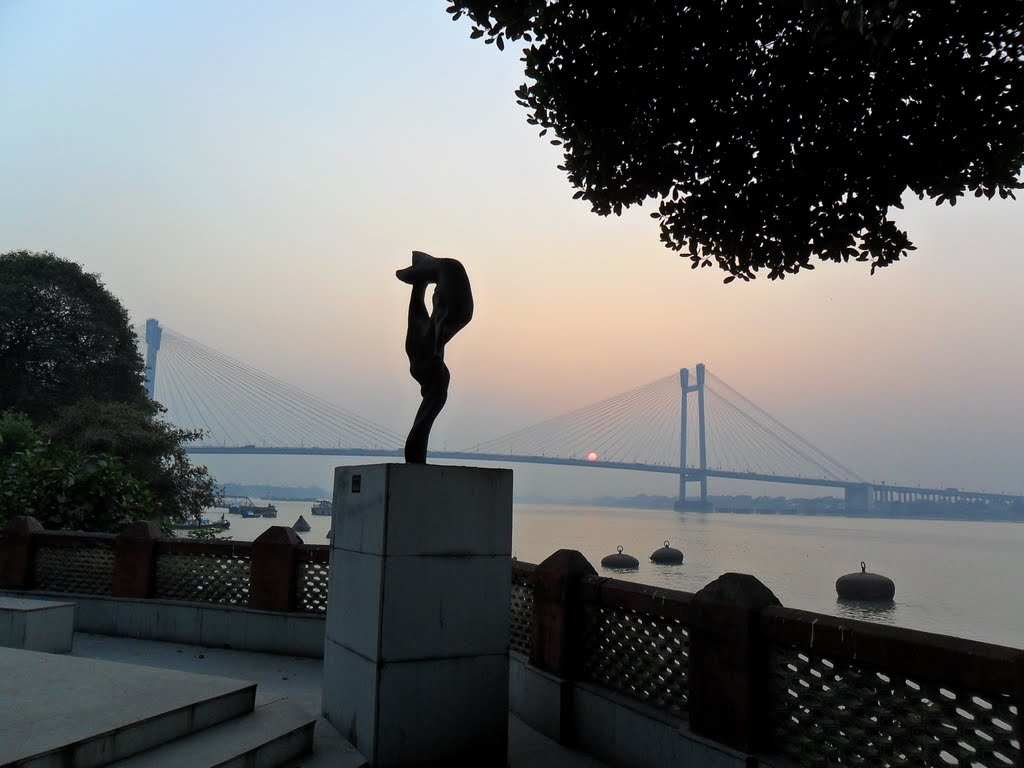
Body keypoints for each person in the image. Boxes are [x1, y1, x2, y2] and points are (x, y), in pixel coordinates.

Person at [396, 251, 473, 463]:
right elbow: (425, 311)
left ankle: (423, 267)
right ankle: (423, 267)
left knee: (423, 422)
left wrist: (419, 284)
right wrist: (438, 353)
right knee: (424, 422)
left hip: (429, 359)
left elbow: (431, 314)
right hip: (429, 359)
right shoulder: (418, 345)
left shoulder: (421, 345)